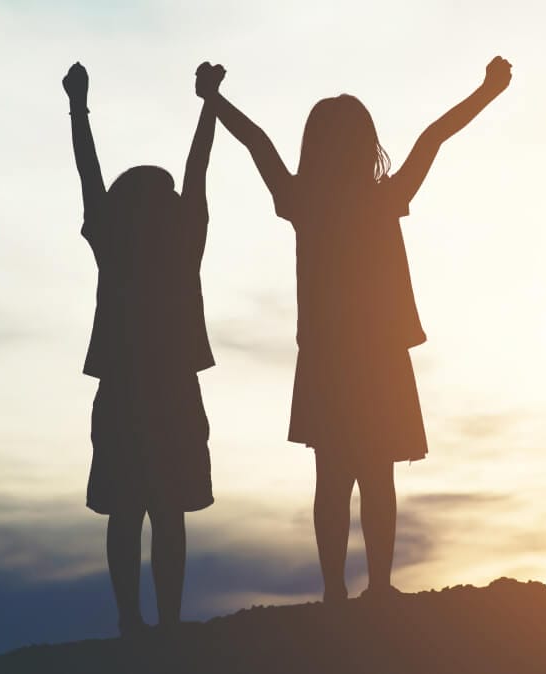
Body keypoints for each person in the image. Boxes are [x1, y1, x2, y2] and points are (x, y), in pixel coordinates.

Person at [197, 57, 512, 602]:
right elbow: (433, 137)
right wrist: (488, 90)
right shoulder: (379, 198)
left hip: (328, 358)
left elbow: (257, 143)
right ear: (365, 144)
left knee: (334, 480)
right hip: (378, 357)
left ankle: (335, 592)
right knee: (375, 476)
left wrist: (213, 99)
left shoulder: (305, 201)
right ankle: (377, 588)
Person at [63, 61, 224, 635]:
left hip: (125, 387)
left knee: (128, 512)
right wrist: (209, 104)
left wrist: (79, 105)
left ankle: (132, 620)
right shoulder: (181, 234)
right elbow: (197, 168)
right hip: (173, 386)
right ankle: (165, 622)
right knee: (166, 511)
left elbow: (90, 173)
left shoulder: (116, 236)